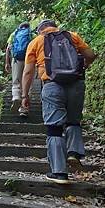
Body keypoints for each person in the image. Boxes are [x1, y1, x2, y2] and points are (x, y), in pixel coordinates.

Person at [21, 19, 96, 184]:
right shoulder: (72, 36)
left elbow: (27, 72)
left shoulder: (36, 42)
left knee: (54, 128)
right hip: (76, 84)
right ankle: (74, 153)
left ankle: (59, 173)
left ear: (40, 30)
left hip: (51, 85)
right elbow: (90, 55)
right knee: (73, 121)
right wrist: (84, 67)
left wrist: (25, 96)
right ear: (55, 27)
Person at [4, 22, 32, 115]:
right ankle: (24, 108)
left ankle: (16, 97)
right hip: (29, 61)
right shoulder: (32, 34)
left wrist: (7, 63)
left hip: (16, 60)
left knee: (16, 80)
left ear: (19, 27)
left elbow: (8, 49)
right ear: (28, 27)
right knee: (28, 83)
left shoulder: (14, 34)